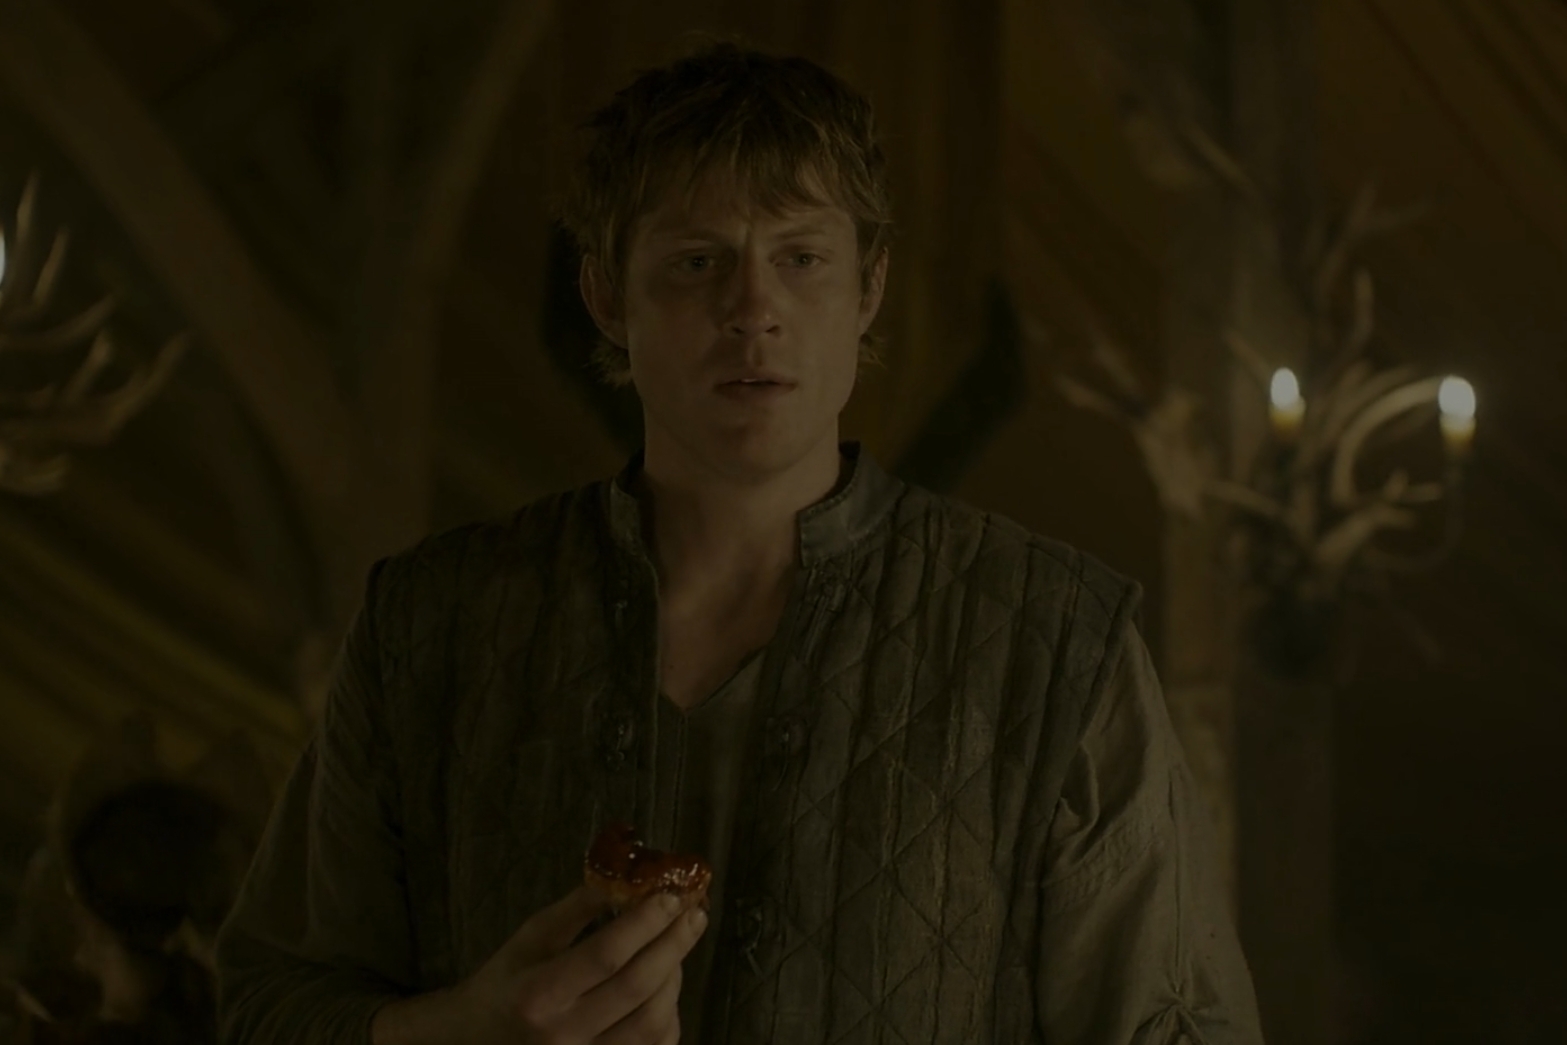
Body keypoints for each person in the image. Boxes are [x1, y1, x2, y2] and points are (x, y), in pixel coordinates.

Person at [214, 42, 1264, 1045]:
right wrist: (459, 1033)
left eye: (800, 257)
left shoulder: (1053, 641)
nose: (753, 309)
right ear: (605, 294)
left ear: (868, 289)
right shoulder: (433, 622)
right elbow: (265, 1006)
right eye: (695, 261)